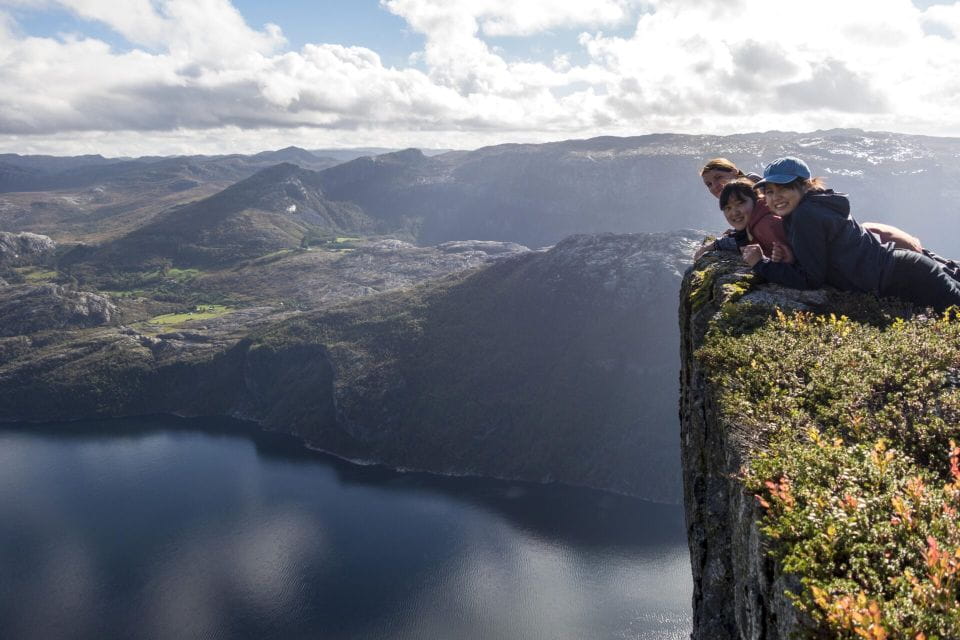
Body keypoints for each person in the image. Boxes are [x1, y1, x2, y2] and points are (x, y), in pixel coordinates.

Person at [743, 157, 960, 311]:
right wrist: (794, 259)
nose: (775, 197)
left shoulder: (804, 215)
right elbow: (829, 257)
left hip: (901, 276)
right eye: (769, 191)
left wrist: (761, 264)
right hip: (905, 269)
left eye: (783, 188)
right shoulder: (820, 203)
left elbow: (811, 280)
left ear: (805, 186)